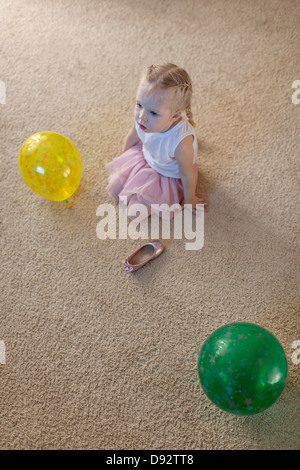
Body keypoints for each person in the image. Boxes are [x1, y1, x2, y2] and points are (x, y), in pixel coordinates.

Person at [106, 63, 209, 219]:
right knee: (115, 188)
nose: (142, 116)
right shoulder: (143, 120)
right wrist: (124, 165)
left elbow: (187, 174)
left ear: (175, 115)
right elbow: (133, 136)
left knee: (135, 213)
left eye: (153, 113)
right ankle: (136, 180)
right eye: (139, 105)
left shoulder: (182, 142)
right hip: (146, 157)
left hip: (167, 176)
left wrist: (190, 200)